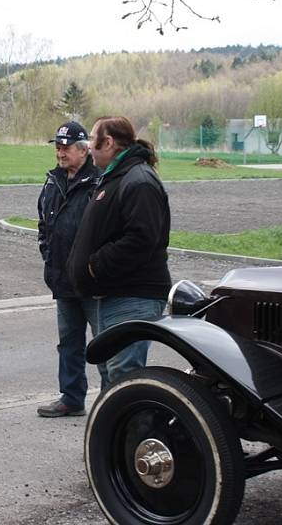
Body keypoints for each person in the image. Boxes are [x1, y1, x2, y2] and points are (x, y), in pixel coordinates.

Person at [66, 116, 171, 385]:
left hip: (131, 297)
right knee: (113, 379)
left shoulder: (140, 180)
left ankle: (131, 429)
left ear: (109, 142)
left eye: (92, 138)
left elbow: (141, 239)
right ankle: (113, 428)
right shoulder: (116, 176)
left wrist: (95, 265)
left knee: (124, 381)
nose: (88, 145)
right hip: (112, 295)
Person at [36, 122, 104, 418]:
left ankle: (110, 400)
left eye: (65, 148)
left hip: (93, 281)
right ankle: (72, 396)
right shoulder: (53, 181)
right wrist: (48, 255)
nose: (60, 153)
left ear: (83, 149)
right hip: (62, 279)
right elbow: (43, 224)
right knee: (69, 342)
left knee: (104, 343)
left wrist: (94, 265)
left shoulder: (100, 181)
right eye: (58, 147)